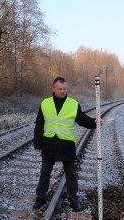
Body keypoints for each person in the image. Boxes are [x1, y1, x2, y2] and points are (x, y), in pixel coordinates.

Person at [33, 76, 99, 212]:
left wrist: (95, 122)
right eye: (60, 89)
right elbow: (39, 124)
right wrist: (38, 143)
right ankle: (40, 198)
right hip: (49, 143)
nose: (63, 91)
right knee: (45, 173)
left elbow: (82, 119)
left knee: (71, 174)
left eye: (65, 89)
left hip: (66, 145)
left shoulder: (73, 104)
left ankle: (74, 200)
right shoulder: (45, 103)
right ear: (53, 89)